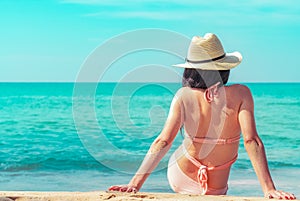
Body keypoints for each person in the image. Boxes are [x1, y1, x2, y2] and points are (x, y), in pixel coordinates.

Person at [108, 33, 296, 200]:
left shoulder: (184, 95)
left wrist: (134, 184)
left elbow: (163, 142)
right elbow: (251, 141)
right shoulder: (242, 94)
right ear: (224, 67)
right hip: (217, 187)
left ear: (191, 70)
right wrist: (269, 189)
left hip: (180, 177)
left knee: (185, 143)